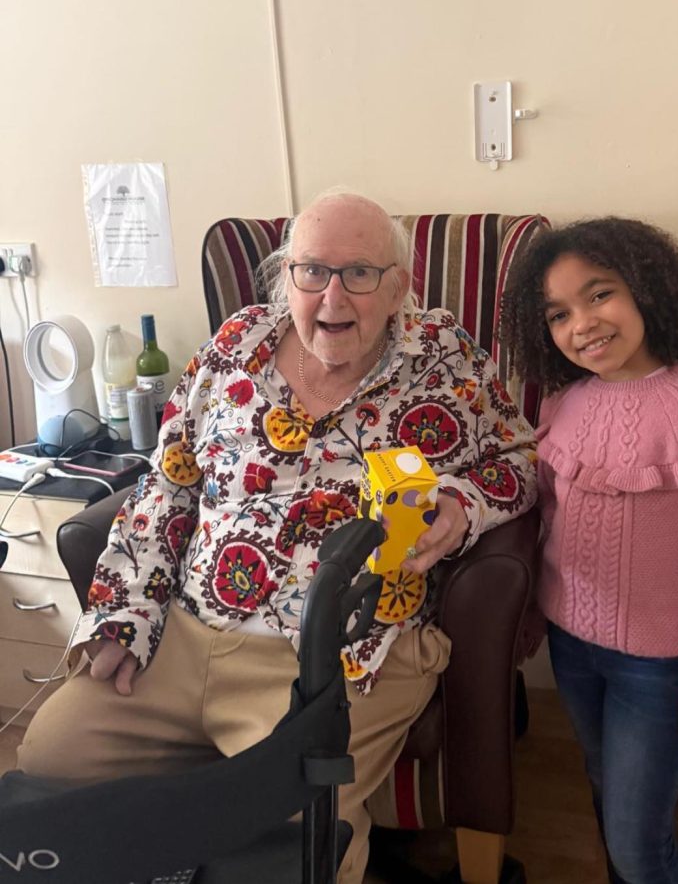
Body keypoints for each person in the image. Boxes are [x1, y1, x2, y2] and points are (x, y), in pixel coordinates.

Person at [15, 191, 538, 884]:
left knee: (294, 828)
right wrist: (125, 611)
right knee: (52, 755)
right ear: (285, 276)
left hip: (335, 656)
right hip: (183, 635)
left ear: (399, 287)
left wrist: (461, 505)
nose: (331, 296)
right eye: (311, 270)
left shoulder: (444, 360)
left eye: (359, 273)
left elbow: (521, 459)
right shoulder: (234, 346)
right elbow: (166, 483)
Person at [499, 216, 678, 884]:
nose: (583, 323)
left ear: (647, 287)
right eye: (558, 313)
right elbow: (548, 522)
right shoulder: (563, 403)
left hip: (660, 670)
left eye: (599, 294)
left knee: (641, 847)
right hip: (574, 649)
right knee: (605, 790)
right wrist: (532, 611)